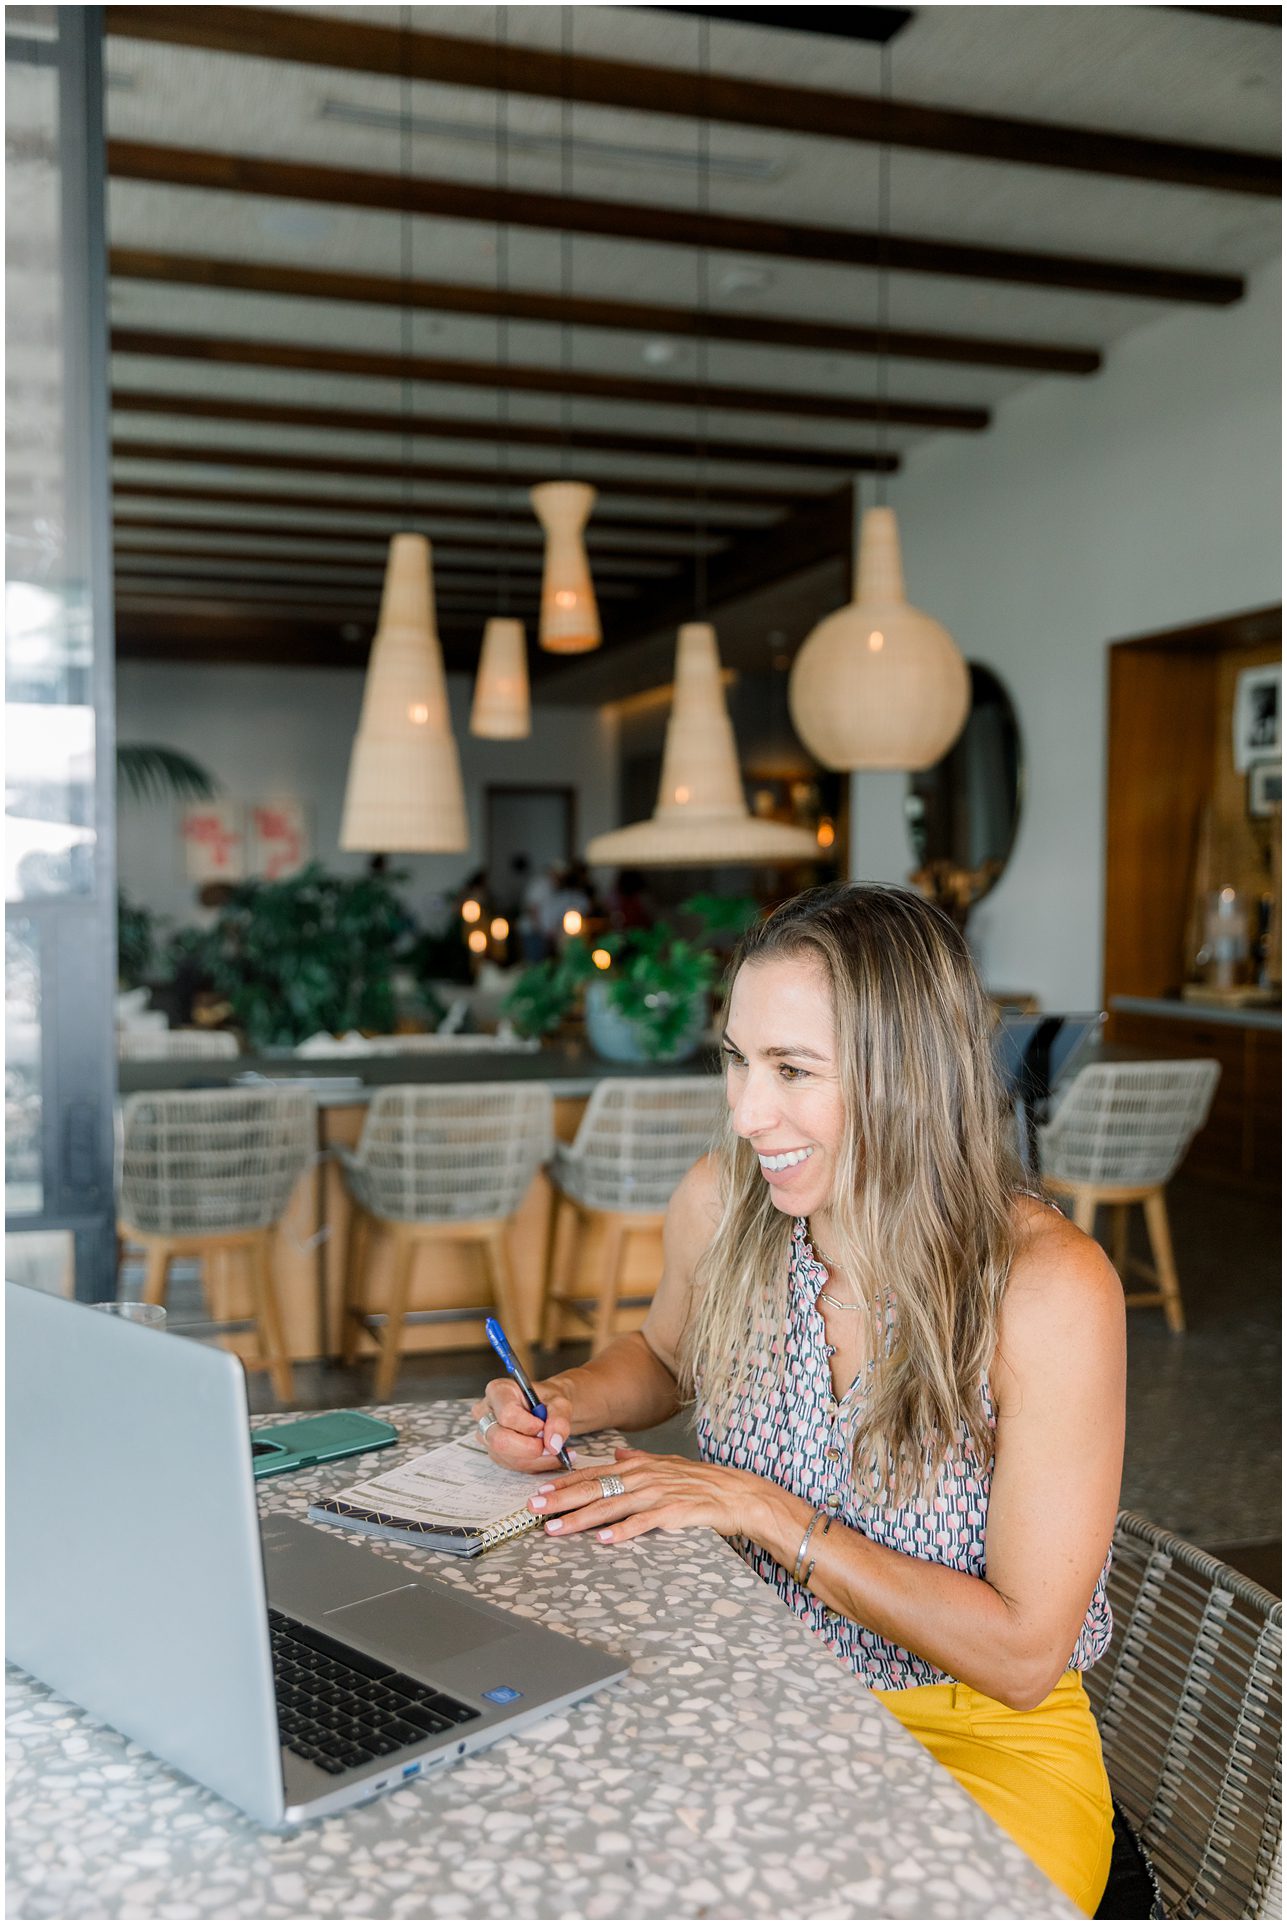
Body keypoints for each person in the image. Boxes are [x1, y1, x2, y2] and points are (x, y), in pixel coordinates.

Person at [473, 882, 1125, 1916]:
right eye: (737, 1058)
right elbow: (663, 1354)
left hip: (975, 1737)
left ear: (907, 1075)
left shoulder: (1043, 1288)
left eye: (791, 1069)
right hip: (748, 1689)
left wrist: (763, 1509)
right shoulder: (725, 1199)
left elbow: (1021, 1650)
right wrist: (561, 1398)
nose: (745, 1110)